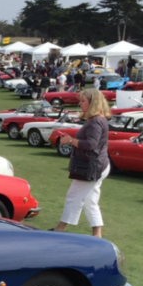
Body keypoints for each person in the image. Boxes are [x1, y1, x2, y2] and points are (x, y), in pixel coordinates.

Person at [52, 89, 111, 238]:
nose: (79, 103)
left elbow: (91, 144)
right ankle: (97, 235)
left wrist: (71, 141)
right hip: (97, 166)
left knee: (73, 196)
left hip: (93, 167)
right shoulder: (97, 120)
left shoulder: (97, 121)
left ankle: (59, 229)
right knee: (90, 201)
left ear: (93, 103)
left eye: (83, 101)